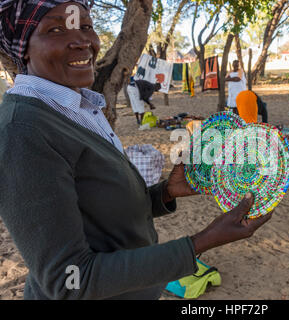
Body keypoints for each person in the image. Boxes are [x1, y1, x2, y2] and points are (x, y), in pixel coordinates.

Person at [0, 1, 271, 300]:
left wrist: (164, 193)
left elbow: (95, 210)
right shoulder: (24, 131)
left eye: (86, 27)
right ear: (23, 46)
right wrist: (200, 243)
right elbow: (70, 280)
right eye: (56, 29)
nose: (82, 42)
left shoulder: (75, 107)